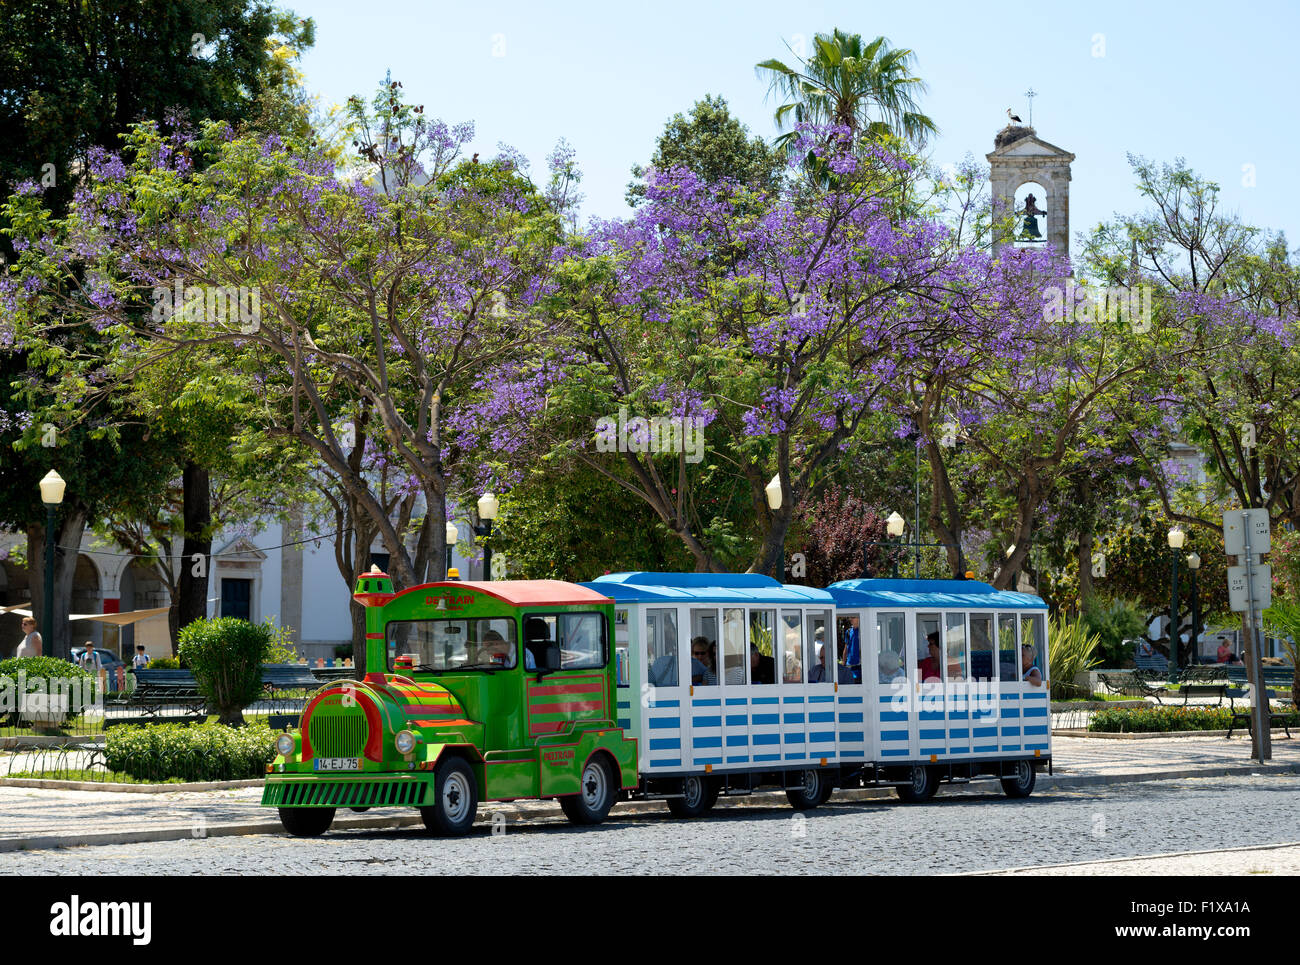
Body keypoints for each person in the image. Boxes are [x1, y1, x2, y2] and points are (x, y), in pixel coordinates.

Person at [842, 616, 861, 683]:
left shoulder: (862, 631)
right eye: (850, 617)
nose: (850, 619)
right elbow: (846, 648)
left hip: (860, 665)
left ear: (858, 618)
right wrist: (843, 663)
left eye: (853, 617)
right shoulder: (848, 631)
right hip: (849, 665)